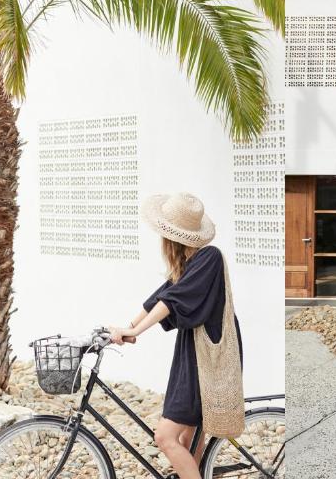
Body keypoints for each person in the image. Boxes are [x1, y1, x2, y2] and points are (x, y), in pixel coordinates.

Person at [108, 192, 242, 479]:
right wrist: (127, 327)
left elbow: (173, 301)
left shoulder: (210, 257)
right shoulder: (189, 262)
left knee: (165, 437)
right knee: (186, 439)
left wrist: (134, 331)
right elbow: (159, 297)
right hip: (191, 354)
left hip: (206, 359)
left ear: (171, 236)